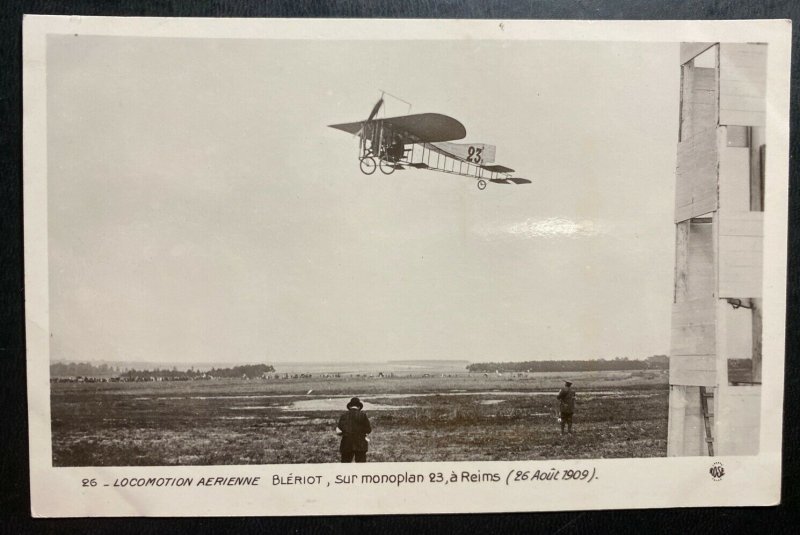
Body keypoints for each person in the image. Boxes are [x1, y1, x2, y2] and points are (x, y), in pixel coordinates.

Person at [337, 397, 372, 463]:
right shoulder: (363, 415)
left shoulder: (343, 416)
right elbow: (368, 429)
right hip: (360, 444)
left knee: (345, 466)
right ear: (359, 407)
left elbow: (339, 430)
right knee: (361, 467)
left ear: (350, 406)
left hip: (346, 443)